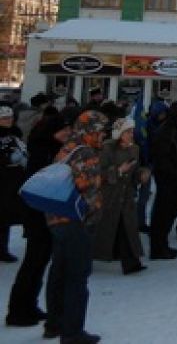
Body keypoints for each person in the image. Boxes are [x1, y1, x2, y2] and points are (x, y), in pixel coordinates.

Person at [44, 110, 108, 344]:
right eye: (100, 130)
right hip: (76, 220)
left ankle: (54, 323)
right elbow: (88, 189)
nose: (103, 134)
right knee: (77, 277)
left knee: (58, 272)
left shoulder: (66, 148)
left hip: (56, 217)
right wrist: (96, 210)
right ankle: (72, 332)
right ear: (91, 130)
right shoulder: (86, 153)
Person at [6, 111, 70, 327]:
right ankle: (17, 310)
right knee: (33, 262)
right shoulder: (41, 150)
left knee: (40, 261)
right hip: (36, 213)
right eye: (64, 130)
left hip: (47, 212)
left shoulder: (51, 148)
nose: (67, 134)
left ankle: (30, 304)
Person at [92, 118, 146, 275]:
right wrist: (118, 171)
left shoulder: (134, 148)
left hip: (126, 195)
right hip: (109, 196)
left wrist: (140, 175)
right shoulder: (107, 148)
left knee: (127, 228)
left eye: (132, 131)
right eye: (128, 132)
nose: (131, 134)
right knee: (104, 227)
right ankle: (90, 256)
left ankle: (132, 262)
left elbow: (135, 170)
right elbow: (98, 173)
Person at [148, 101, 177, 260]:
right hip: (168, 179)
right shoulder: (165, 131)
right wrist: (173, 173)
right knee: (162, 213)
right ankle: (157, 248)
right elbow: (162, 157)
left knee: (171, 213)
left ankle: (163, 244)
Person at [0, 105, 28, 263]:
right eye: (4, 118)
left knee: (5, 216)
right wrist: (7, 159)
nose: (8, 121)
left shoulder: (14, 134)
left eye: (10, 117)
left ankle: (3, 249)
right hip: (3, 178)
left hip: (12, 180)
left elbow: (22, 149)